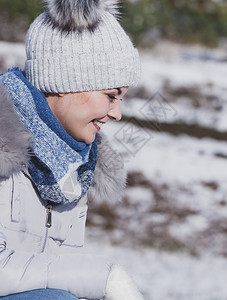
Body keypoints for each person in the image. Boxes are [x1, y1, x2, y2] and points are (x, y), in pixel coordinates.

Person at [0, 0, 143, 299]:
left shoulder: (75, 165)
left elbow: (59, 272)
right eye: (110, 95)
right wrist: (105, 278)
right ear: (66, 81)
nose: (116, 114)